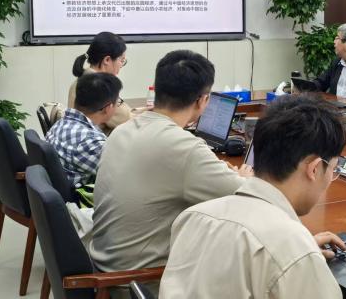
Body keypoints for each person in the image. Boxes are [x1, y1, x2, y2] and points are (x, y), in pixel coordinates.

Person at [159, 94, 346, 298]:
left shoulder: (194, 216)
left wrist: (298, 252)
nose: (330, 179)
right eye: (333, 170)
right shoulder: (291, 249)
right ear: (314, 168)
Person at [90, 50, 253, 279]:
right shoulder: (184, 147)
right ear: (202, 101)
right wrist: (244, 178)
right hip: (139, 282)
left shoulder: (122, 130)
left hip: (106, 265)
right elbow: (247, 197)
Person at [45, 72, 122, 188]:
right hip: (79, 198)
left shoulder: (60, 124)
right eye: (118, 102)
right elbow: (121, 177)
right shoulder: (91, 142)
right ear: (108, 108)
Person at [68, 31, 131, 134]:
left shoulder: (84, 79)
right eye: (122, 60)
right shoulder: (98, 87)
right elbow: (126, 118)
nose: (121, 65)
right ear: (107, 60)